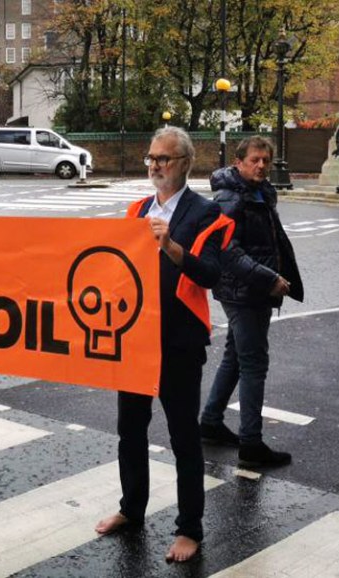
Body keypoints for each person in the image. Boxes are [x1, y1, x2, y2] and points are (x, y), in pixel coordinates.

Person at [95, 127, 230, 563]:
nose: (155, 165)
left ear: (185, 164)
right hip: (135, 337)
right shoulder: (136, 209)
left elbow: (210, 274)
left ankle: (190, 528)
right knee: (129, 431)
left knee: (183, 436)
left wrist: (171, 246)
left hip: (178, 341)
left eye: (164, 159)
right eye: (151, 158)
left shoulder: (209, 214)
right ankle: (131, 509)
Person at [199, 136, 303, 467]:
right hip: (243, 291)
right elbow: (228, 252)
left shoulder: (256, 192)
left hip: (248, 289)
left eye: (266, 161)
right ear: (239, 161)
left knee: (235, 356)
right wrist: (268, 278)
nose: (261, 166)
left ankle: (211, 422)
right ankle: (251, 443)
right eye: (255, 160)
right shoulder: (232, 198)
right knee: (254, 363)